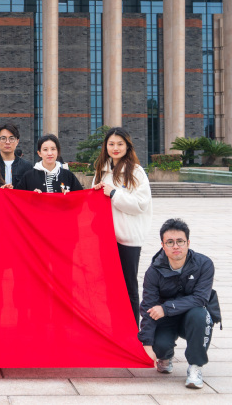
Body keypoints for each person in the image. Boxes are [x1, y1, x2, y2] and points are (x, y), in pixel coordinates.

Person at [139, 218, 217, 390]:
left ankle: (195, 366)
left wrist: (166, 308)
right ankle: (165, 356)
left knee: (201, 315)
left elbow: (200, 298)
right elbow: (148, 307)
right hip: (166, 320)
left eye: (180, 241)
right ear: (163, 245)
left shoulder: (204, 264)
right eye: (170, 242)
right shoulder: (153, 271)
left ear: (188, 243)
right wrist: (147, 344)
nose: (176, 246)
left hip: (190, 316)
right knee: (159, 346)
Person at [92, 127, 152, 327]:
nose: (115, 148)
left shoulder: (136, 172)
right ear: (105, 146)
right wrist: (95, 193)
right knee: (108, 287)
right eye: (111, 144)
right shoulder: (101, 171)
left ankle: (133, 330)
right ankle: (112, 328)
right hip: (106, 238)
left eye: (120, 144)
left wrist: (114, 193)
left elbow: (140, 204)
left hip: (128, 239)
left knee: (128, 287)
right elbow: (94, 206)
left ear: (127, 146)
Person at [14, 134, 83, 194]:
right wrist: (32, 197)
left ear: (58, 151)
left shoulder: (68, 176)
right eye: (45, 149)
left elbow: (81, 198)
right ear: (39, 153)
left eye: (53, 149)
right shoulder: (28, 177)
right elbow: (17, 198)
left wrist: (70, 196)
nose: (49, 153)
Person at [0, 123, 32, 187]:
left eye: (11, 138)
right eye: (3, 138)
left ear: (17, 141)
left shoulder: (27, 167)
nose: (7, 142)